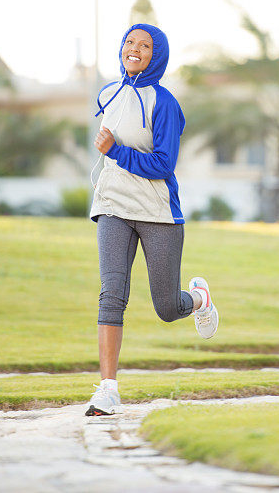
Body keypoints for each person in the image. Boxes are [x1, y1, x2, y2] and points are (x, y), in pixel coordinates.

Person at [85, 24, 219, 416]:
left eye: (145, 46)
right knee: (112, 293)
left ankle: (198, 299)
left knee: (165, 306)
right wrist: (111, 156)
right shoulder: (109, 94)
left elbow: (163, 164)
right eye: (130, 42)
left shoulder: (166, 103)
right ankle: (107, 390)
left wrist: (115, 152)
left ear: (156, 55)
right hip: (112, 205)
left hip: (157, 211)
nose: (135, 49)